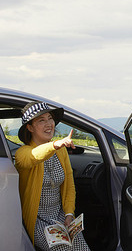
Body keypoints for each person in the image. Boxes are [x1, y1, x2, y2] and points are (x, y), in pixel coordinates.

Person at [14, 101, 90, 251]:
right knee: (62, 248)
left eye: (50, 118)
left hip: (60, 216)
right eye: (41, 120)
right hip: (38, 221)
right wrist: (55, 145)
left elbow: (69, 185)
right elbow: (34, 157)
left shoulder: (61, 152)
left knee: (82, 248)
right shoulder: (23, 152)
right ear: (29, 127)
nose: (49, 124)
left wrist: (69, 214)